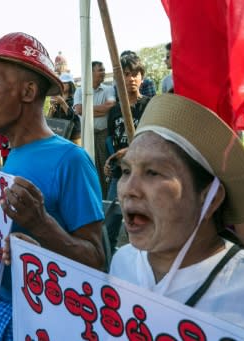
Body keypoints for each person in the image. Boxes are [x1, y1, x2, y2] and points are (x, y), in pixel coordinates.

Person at [0, 32, 105, 340]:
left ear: (29, 91)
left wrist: (43, 225)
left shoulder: (71, 160)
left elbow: (97, 261)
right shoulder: (13, 155)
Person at [110, 94, 244, 328]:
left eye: (153, 172)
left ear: (210, 198)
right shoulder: (122, 263)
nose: (129, 190)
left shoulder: (242, 288)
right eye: (125, 171)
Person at [104, 55, 150, 252]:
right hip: (120, 173)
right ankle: (106, 264)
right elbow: (111, 140)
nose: (131, 78)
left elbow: (153, 140)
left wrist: (129, 151)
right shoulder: (114, 110)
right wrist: (110, 160)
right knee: (110, 220)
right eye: (127, 74)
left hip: (145, 173)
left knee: (144, 220)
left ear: (142, 78)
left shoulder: (150, 105)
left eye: (136, 74)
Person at [73, 61, 116, 197]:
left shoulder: (108, 89)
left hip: (103, 134)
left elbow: (109, 107)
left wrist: (87, 109)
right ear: (90, 73)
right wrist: (100, 110)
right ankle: (92, 196)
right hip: (87, 135)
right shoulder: (80, 90)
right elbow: (79, 110)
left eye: (104, 70)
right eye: (100, 70)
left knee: (105, 167)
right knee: (89, 167)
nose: (103, 73)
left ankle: (106, 198)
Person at [48, 73, 81, 144]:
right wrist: (52, 108)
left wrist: (62, 103)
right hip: (60, 132)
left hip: (73, 135)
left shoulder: (76, 97)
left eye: (65, 82)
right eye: (60, 82)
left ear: (70, 84)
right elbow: (50, 118)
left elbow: (73, 117)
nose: (62, 84)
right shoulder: (56, 97)